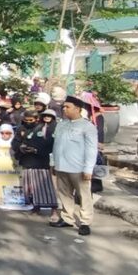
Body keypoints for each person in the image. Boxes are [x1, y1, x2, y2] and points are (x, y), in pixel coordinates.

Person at [50, 96, 98, 236]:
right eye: (63, 107)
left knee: (84, 196)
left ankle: (85, 222)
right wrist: (53, 163)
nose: (64, 109)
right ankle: (67, 218)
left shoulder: (87, 126)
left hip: (79, 168)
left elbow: (91, 149)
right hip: (61, 166)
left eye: (67, 107)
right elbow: (55, 146)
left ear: (78, 109)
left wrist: (88, 168)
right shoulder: (61, 124)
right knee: (64, 194)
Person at [13, 110, 58, 211]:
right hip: (26, 160)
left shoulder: (45, 128)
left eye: (31, 120)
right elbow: (15, 142)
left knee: (44, 187)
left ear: (36, 119)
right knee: (29, 187)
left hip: (40, 162)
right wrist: (20, 147)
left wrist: (36, 150)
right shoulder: (21, 128)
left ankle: (53, 209)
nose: (28, 122)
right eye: (26, 120)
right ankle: (34, 206)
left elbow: (50, 145)